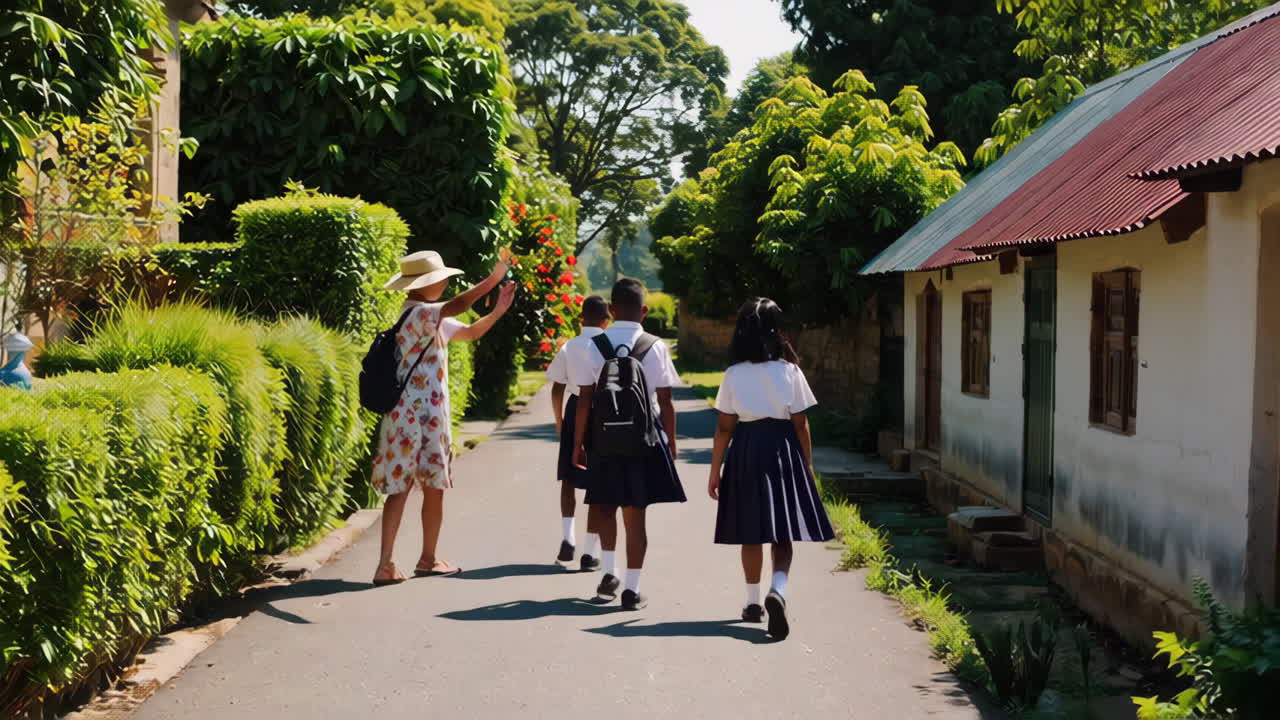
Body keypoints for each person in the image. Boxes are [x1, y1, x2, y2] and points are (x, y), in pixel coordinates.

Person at [370, 249, 515, 586]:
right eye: (440, 279)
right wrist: (492, 280)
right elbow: (458, 306)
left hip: (422, 419)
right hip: (415, 419)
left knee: (428, 487)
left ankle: (425, 559)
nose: (445, 284)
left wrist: (498, 310)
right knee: (407, 487)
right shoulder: (419, 313)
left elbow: (471, 332)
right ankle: (389, 564)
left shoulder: (428, 317)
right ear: (424, 284)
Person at [708, 297, 834, 641]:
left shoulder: (734, 374)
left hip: (746, 450)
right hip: (782, 451)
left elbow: (724, 428)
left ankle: (752, 604)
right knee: (782, 533)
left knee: (751, 532)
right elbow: (801, 424)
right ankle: (777, 589)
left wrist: (715, 470)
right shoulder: (789, 371)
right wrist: (807, 465)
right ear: (778, 330)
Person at [570, 278, 685, 610]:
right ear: (644, 311)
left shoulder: (595, 345)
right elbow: (666, 400)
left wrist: (578, 443)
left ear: (611, 309)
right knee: (636, 517)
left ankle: (609, 572)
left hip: (603, 439)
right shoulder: (655, 346)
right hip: (643, 441)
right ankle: (632, 590)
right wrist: (671, 440)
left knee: (606, 506)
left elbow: (585, 400)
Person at [546, 296, 610, 570]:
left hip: (574, 409)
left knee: (568, 478)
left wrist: (559, 421)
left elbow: (556, 388)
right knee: (599, 483)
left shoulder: (570, 346)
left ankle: (567, 538)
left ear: (581, 318)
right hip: (603, 413)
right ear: (606, 320)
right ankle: (590, 551)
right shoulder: (609, 345)